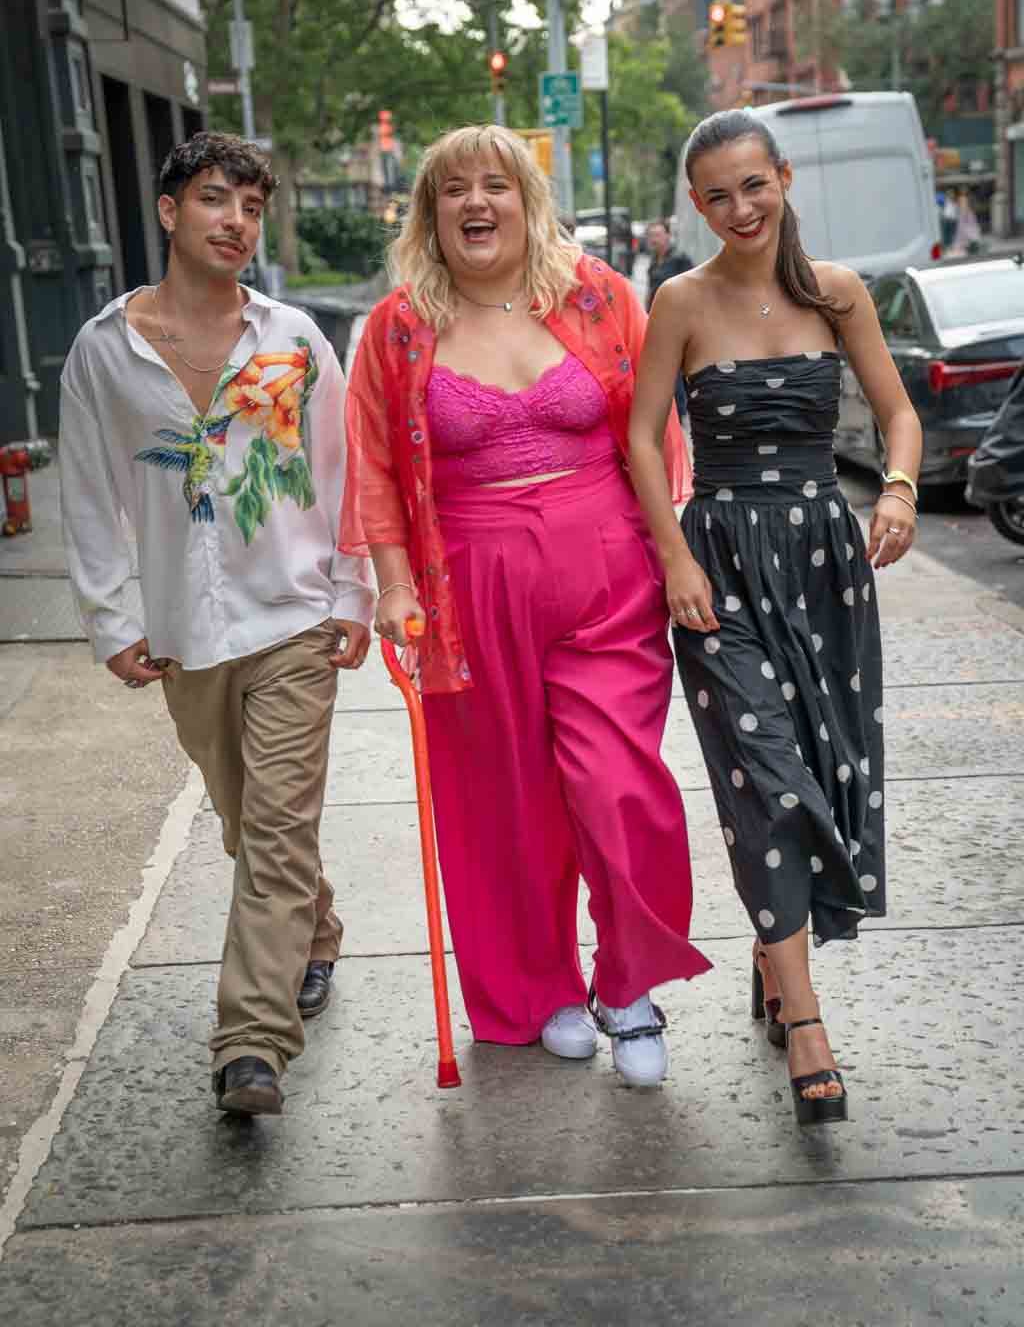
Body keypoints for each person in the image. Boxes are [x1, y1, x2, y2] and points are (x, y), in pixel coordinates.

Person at [341, 125, 711, 1087]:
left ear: (526, 200)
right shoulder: (396, 328)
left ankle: (628, 984)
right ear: (430, 212)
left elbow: (653, 432)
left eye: (495, 185)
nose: (476, 203)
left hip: (606, 579)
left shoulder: (597, 297)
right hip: (464, 591)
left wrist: (673, 554)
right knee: (499, 804)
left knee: (619, 786)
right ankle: (535, 991)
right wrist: (390, 585)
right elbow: (376, 466)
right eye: (454, 188)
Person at [59, 132, 374, 1117]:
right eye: (211, 200)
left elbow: (343, 473)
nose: (233, 221)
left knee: (278, 825)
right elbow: (86, 491)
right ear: (168, 211)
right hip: (183, 630)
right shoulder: (106, 348)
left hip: (290, 618)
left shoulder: (292, 341)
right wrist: (112, 618)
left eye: (248, 205)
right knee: (247, 823)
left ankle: (250, 1042)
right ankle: (314, 931)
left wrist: (352, 595)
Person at [628, 109, 922, 1126]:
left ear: (783, 179)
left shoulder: (836, 293)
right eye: (717, 194)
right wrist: (672, 559)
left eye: (754, 185)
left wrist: (897, 488)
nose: (739, 207)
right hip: (718, 564)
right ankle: (804, 1022)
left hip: (822, 563)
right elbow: (638, 439)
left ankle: (773, 952)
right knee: (769, 784)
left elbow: (897, 412)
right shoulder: (679, 299)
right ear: (696, 205)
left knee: (829, 776)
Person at [645, 219, 693, 423]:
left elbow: (694, 287)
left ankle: (680, 413)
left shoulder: (680, 259)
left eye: (657, 234)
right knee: (670, 369)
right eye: (651, 235)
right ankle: (675, 412)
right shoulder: (654, 260)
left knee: (677, 370)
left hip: (679, 320)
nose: (654, 239)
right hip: (658, 320)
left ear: (667, 235)